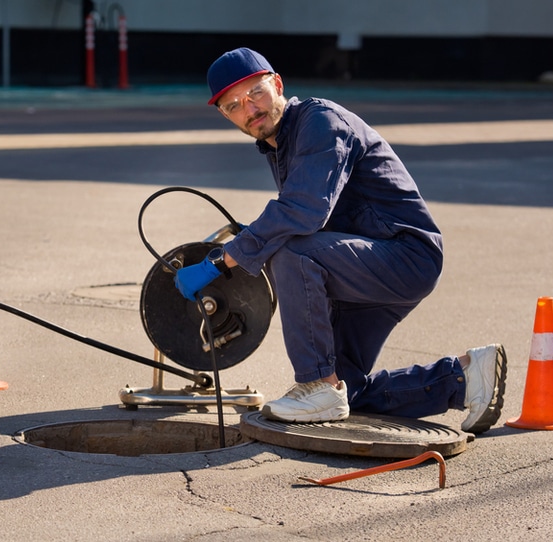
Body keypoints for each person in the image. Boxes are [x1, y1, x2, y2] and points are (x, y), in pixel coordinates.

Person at [174, 47, 507, 434]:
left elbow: (303, 211)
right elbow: (304, 216)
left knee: (291, 253)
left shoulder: (320, 122)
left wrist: (220, 261)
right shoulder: (279, 144)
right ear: (225, 116)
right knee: (351, 390)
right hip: (361, 268)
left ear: (278, 84)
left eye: (256, 93)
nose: (249, 109)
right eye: (234, 106)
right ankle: (465, 378)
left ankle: (317, 386)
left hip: (404, 256)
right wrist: (243, 245)